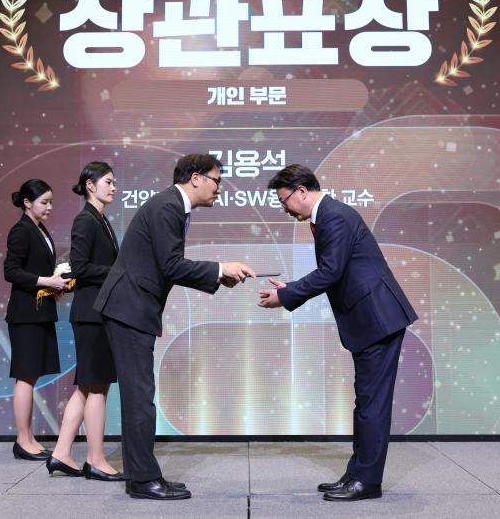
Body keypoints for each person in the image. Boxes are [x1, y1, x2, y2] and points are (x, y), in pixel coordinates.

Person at [94, 153, 256, 500]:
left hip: (132, 308)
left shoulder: (172, 206)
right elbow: (171, 265)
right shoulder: (168, 206)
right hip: (128, 309)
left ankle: (141, 475)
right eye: (216, 181)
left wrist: (218, 276)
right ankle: (143, 480)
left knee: (139, 396)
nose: (219, 189)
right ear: (196, 178)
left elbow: (167, 265)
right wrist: (220, 268)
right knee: (140, 397)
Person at [258, 164, 418, 502]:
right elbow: (334, 270)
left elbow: (330, 272)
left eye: (284, 200)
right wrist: (292, 289)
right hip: (370, 320)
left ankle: (367, 481)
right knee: (366, 402)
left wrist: (286, 296)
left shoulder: (334, 216)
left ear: (302, 190)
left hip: (378, 319)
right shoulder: (329, 216)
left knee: (372, 404)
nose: (285, 209)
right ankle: (357, 474)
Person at [47, 162, 124, 481]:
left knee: (88, 385)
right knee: (98, 388)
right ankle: (95, 459)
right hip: (91, 314)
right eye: (108, 182)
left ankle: (61, 453)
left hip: (96, 312)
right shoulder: (86, 219)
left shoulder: (99, 219)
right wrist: (120, 272)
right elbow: (79, 267)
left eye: (114, 182)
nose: (113, 187)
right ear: (90, 185)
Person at [3, 178, 68, 461]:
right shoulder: (21, 230)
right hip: (25, 314)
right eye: (44, 202)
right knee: (25, 376)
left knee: (31, 375)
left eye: (51, 201)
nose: (49, 207)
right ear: (27, 203)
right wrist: (47, 281)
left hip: (39, 310)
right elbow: (11, 271)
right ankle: (22, 440)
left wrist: (55, 285)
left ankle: (28, 438)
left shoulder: (39, 228)